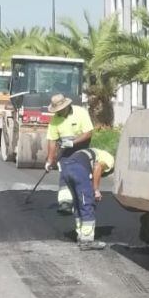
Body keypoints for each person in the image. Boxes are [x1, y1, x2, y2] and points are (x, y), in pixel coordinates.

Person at [45, 92, 104, 250]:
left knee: (83, 194)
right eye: (55, 110)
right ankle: (66, 206)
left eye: (60, 109)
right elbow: (51, 141)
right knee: (69, 187)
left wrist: (72, 142)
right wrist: (50, 160)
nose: (57, 113)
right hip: (64, 156)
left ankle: (84, 235)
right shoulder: (55, 120)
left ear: (66, 106)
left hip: (82, 154)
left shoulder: (80, 113)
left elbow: (88, 133)